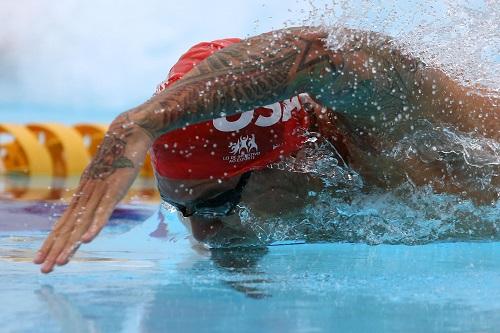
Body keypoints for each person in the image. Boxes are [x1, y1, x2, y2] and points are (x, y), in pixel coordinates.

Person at [34, 26, 499, 273]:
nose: (201, 234)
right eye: (179, 207)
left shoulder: (396, 126)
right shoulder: (323, 202)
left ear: (292, 160)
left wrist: (146, 120)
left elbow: (323, 53)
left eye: (217, 204)